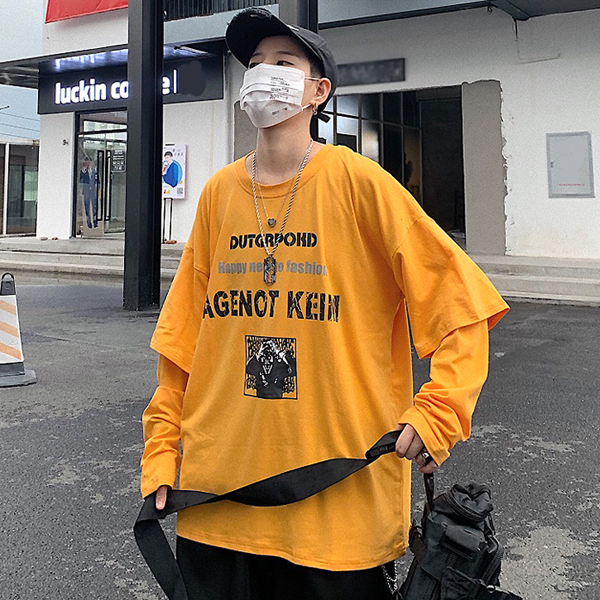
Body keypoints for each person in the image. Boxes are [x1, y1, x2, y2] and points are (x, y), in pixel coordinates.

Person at [140, 8, 509, 600]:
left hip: (337, 512)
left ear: (319, 91)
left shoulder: (359, 183)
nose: (263, 73)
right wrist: (161, 452)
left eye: (283, 62)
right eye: (254, 63)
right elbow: (181, 344)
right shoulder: (217, 195)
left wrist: (439, 411)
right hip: (218, 503)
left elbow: (460, 302)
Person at [79, 155, 97, 229]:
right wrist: (83, 169)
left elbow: (97, 181)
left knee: (94, 206)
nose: (88, 163)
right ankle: (88, 222)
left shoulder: (94, 171)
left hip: (93, 191)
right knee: (87, 206)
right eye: (87, 162)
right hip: (86, 191)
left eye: (89, 162)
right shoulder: (83, 171)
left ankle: (95, 221)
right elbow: (80, 179)